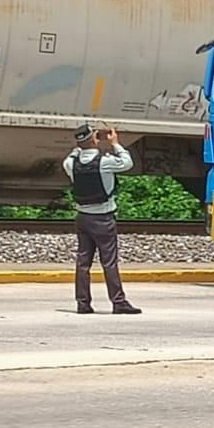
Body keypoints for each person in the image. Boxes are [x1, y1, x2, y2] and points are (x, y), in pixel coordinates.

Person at [65, 123, 140, 314]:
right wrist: (115, 143)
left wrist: (82, 143)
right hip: (103, 218)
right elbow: (127, 162)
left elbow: (74, 154)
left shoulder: (70, 164)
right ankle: (118, 301)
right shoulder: (105, 162)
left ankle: (83, 303)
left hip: (82, 217)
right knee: (109, 261)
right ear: (94, 139)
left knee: (83, 262)